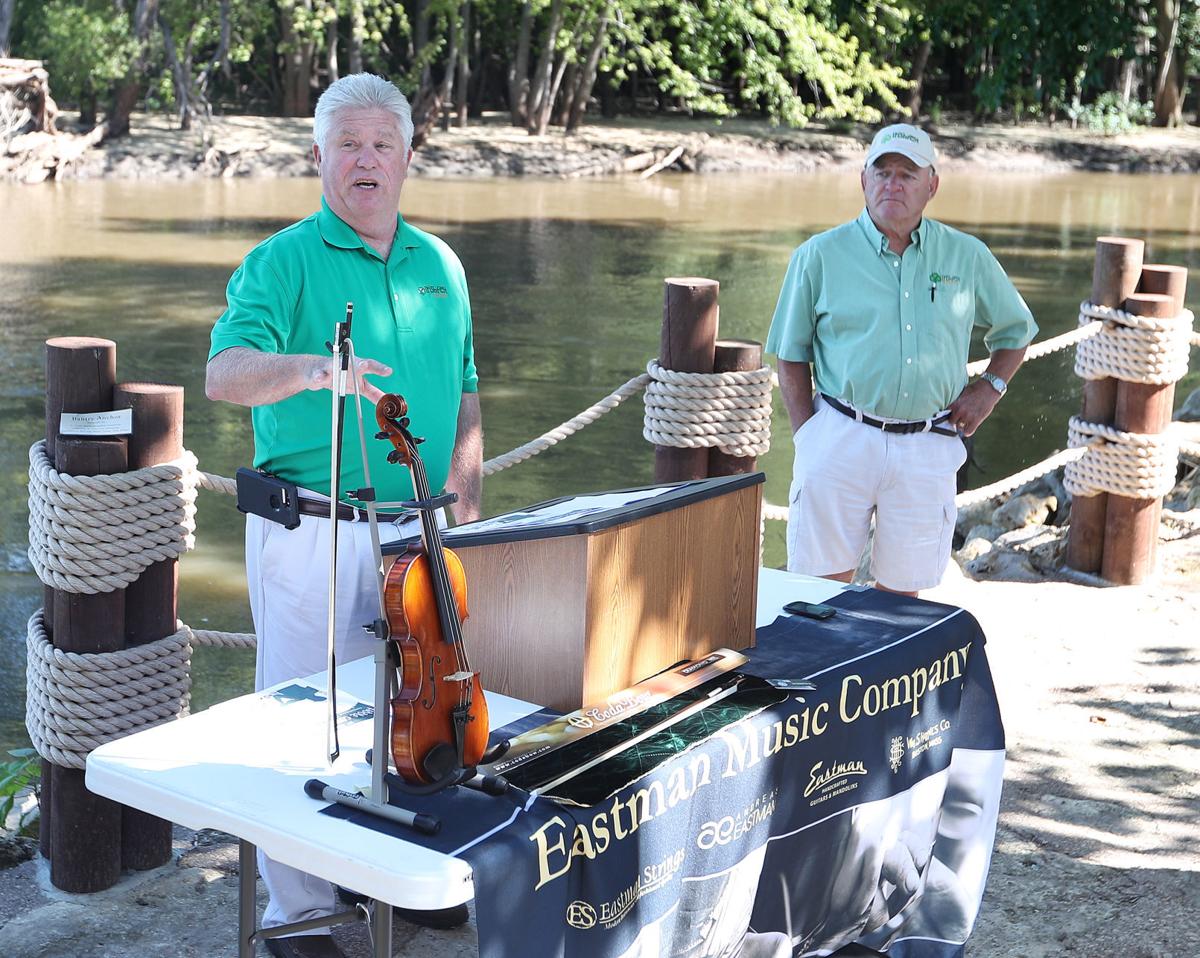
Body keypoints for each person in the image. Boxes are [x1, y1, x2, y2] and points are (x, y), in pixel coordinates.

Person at [205, 73, 482, 958]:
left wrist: (466, 510)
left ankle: (393, 873)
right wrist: (319, 371)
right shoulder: (281, 261)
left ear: (408, 156)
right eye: (348, 145)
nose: (366, 161)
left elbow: (466, 393)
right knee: (302, 719)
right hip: (313, 532)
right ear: (317, 156)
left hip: (422, 527)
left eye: (381, 145)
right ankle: (298, 912)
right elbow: (224, 376)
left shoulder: (442, 265)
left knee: (412, 708)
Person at [766, 123, 1037, 596]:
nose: (893, 184)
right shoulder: (818, 256)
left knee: (902, 598)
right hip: (840, 437)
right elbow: (790, 355)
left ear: (932, 186)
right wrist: (809, 437)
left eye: (908, 175)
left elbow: (1017, 331)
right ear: (863, 180)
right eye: (883, 172)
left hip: (927, 446)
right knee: (815, 590)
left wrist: (990, 389)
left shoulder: (966, 256)